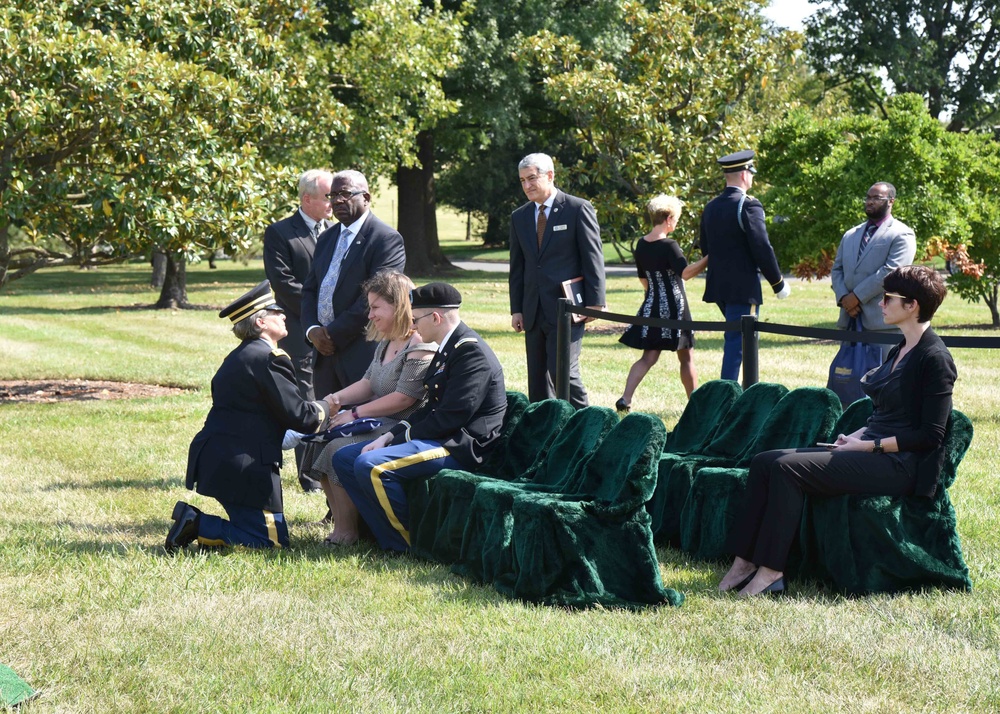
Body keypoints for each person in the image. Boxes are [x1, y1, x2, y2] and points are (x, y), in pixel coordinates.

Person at [719, 266, 956, 596]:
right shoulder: (899, 349)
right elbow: (885, 414)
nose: (880, 304)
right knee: (764, 461)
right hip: (873, 451)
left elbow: (931, 435)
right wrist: (856, 437)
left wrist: (866, 448)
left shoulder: (935, 358)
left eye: (888, 298)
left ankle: (772, 572)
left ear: (911, 305)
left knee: (787, 470)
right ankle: (744, 563)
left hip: (901, 466)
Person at [332, 282, 507, 552]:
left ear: (435, 318)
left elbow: (450, 417)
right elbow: (430, 409)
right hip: (441, 438)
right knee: (344, 458)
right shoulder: (449, 348)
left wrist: (395, 439)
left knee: (371, 464)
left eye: (415, 320)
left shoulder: (470, 352)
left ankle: (405, 545)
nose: (412, 327)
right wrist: (391, 436)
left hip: (461, 446)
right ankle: (380, 536)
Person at [165, 281, 335, 552]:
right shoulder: (269, 358)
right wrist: (327, 406)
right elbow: (300, 416)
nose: (283, 315)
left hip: (227, 459)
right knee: (269, 543)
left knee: (269, 538)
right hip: (244, 467)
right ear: (260, 323)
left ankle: (202, 528)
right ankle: (196, 523)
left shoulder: (241, 356)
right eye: (275, 311)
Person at [302, 270, 436, 546]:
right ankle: (343, 526)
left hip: (403, 428)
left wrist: (353, 413)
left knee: (337, 448)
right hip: (381, 422)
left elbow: (404, 399)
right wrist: (330, 401)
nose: (370, 314)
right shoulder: (388, 340)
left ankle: (349, 532)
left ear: (398, 305)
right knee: (325, 444)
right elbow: (368, 383)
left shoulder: (420, 344)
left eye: (376, 307)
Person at [509, 152, 605, 408]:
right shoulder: (519, 217)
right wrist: (516, 309)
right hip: (532, 310)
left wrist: (595, 302)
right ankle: (544, 433)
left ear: (550, 176)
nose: (527, 186)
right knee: (538, 380)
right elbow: (517, 268)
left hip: (567, 309)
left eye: (532, 178)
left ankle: (588, 427)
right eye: (522, 180)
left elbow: (592, 258)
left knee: (563, 371)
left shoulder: (577, 208)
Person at [302, 169, 406, 402]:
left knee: (359, 427)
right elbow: (310, 290)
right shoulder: (326, 238)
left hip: (360, 350)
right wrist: (312, 331)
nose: (337, 200)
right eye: (333, 194)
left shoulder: (385, 239)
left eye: (346, 193)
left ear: (366, 198)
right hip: (322, 351)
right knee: (326, 423)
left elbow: (378, 297)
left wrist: (331, 333)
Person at [263, 169, 334, 494]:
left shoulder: (335, 231)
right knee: (305, 397)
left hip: (335, 331)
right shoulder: (280, 233)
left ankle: (329, 465)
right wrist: (317, 316)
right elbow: (283, 284)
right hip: (300, 332)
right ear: (307, 199)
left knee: (332, 394)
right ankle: (309, 477)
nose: (333, 203)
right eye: (327, 197)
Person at [700, 149, 790, 381]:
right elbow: (762, 247)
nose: (752, 177)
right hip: (743, 288)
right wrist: (778, 283)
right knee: (739, 344)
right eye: (751, 172)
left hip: (719, 287)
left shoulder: (711, 207)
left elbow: (706, 248)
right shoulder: (748, 205)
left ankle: (732, 391)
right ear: (744, 174)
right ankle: (728, 395)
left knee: (736, 340)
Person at [617, 195, 708, 410]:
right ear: (668, 218)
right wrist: (709, 258)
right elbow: (685, 273)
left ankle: (625, 399)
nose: (676, 223)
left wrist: (656, 297)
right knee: (686, 358)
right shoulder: (669, 245)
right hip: (676, 309)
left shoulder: (641, 244)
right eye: (676, 219)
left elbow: (643, 280)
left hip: (652, 306)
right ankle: (694, 406)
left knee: (648, 357)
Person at [831, 182, 916, 360]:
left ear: (891, 201)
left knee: (883, 380)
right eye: (868, 197)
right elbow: (837, 269)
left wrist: (856, 297)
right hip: (851, 320)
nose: (870, 202)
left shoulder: (902, 234)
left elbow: (891, 272)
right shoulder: (850, 235)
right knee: (847, 380)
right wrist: (844, 299)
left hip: (883, 322)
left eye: (876, 198)